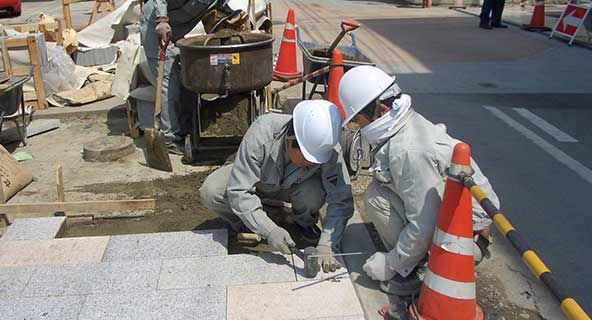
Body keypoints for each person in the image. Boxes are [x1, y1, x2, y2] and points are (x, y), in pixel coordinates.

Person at [337, 66, 500, 320]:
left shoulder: (408, 150)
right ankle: (414, 260)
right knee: (376, 193)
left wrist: (390, 263)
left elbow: (423, 223)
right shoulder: (406, 122)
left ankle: (414, 273)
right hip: (459, 221)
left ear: (381, 110)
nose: (359, 126)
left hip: (464, 241)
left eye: (359, 119)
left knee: (376, 200)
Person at [200, 100, 354, 273]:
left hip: (295, 189)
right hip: (257, 183)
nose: (312, 163)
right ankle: (247, 222)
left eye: (316, 161)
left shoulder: (327, 146)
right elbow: (240, 190)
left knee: (314, 192)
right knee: (212, 191)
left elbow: (341, 200)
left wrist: (328, 244)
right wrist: (269, 230)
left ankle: (303, 224)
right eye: (307, 158)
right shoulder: (261, 134)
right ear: (290, 141)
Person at [140, 0, 220, 153]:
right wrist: (162, 19)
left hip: (176, 27)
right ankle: (170, 138)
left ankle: (184, 128)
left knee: (184, 79)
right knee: (169, 84)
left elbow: (216, 11)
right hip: (157, 26)